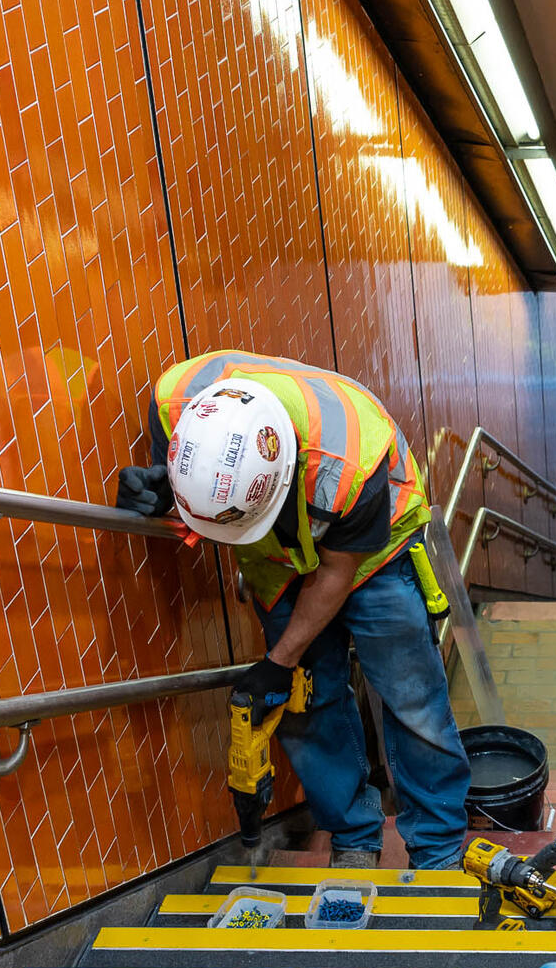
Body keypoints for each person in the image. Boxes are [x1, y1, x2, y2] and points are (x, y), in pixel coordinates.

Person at [113, 351, 471, 871]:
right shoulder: (176, 403)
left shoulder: (351, 457)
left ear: (285, 476)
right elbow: (194, 489)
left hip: (376, 552)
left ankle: (437, 852)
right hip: (277, 563)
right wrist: (160, 495)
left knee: (411, 699)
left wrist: (278, 661)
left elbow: (335, 572)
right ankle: (353, 839)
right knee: (305, 703)